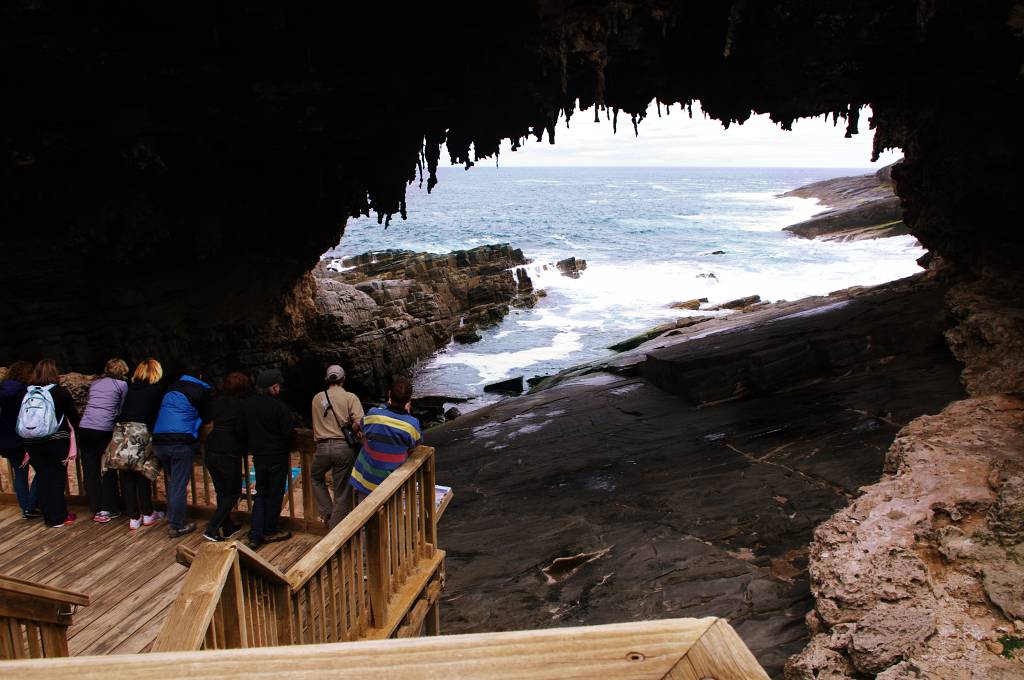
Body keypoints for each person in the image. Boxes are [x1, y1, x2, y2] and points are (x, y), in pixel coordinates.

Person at [152, 369, 212, 538]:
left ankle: (175, 517)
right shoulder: (200, 390)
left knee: (174, 482)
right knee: (178, 484)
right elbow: (207, 417)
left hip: (159, 440)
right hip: (179, 441)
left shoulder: (170, 387)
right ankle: (176, 525)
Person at [21, 359, 80, 528]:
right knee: (56, 479)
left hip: (32, 442)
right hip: (55, 440)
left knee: (43, 477)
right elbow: (73, 417)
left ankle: (48, 515)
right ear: (54, 373)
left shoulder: (28, 392)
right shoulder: (60, 392)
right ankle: (58, 517)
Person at [243, 368, 295, 549]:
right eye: (277, 386)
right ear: (273, 388)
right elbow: (288, 434)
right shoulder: (279, 408)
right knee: (275, 494)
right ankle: (270, 529)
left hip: (259, 456)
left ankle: (255, 533)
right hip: (277, 456)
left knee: (261, 493)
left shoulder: (248, 405)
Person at [349, 375, 421, 499]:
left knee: (364, 515)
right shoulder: (412, 425)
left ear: (389, 394)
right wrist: (407, 414)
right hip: (390, 485)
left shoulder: (373, 414)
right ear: (409, 400)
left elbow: (359, 426)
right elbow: (414, 447)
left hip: (365, 481)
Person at [310, 364, 364, 529]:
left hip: (322, 448)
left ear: (327, 379)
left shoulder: (317, 398)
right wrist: (351, 430)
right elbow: (360, 421)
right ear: (343, 379)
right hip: (343, 447)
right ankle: (335, 529)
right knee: (342, 492)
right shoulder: (350, 397)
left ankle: (327, 512)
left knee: (316, 478)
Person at [114, 358, 166, 530]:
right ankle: (148, 514)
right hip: (142, 432)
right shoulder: (156, 390)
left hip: (122, 432)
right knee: (142, 474)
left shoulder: (131, 389)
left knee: (127, 475)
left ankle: (134, 518)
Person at [202, 371, 252, 542]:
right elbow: (242, 430)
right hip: (228, 451)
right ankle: (212, 528)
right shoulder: (243, 406)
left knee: (222, 491)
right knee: (233, 492)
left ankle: (228, 526)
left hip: (211, 447)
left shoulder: (217, 402)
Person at [79, 358, 128, 522]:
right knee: (107, 468)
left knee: (90, 468)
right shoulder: (122, 385)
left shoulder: (96, 383)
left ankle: (96, 507)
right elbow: (121, 408)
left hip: (85, 427)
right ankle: (109, 508)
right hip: (103, 428)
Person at [0, 361, 39, 518]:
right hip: (24, 438)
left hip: (5, 439)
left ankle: (25, 508)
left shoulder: (2, 390)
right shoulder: (25, 392)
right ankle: (31, 505)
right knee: (44, 470)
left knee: (19, 474)